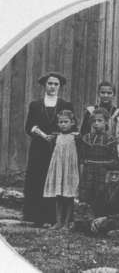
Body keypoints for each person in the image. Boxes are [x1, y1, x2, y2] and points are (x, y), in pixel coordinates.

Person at [24, 72, 74, 227]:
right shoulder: (35, 104)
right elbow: (28, 127)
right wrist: (42, 135)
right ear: (45, 85)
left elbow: (72, 125)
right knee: (37, 179)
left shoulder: (65, 105)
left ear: (60, 87)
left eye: (56, 84)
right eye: (50, 83)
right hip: (38, 148)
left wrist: (56, 135)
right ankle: (35, 216)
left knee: (55, 179)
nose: (52, 87)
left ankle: (53, 218)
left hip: (57, 148)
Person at [43, 110, 80, 230]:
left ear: (72, 123)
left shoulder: (75, 137)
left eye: (66, 122)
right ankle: (58, 221)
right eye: (61, 122)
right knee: (58, 195)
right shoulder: (56, 137)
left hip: (69, 169)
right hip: (59, 168)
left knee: (69, 196)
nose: (63, 124)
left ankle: (66, 222)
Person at [75, 160, 119, 236]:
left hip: (116, 220)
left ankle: (118, 232)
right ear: (107, 174)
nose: (114, 177)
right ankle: (102, 230)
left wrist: (105, 218)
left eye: (117, 174)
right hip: (102, 219)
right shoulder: (102, 190)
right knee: (81, 222)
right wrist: (93, 220)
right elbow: (95, 207)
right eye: (111, 174)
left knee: (110, 224)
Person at [79, 108, 119, 205]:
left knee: (101, 194)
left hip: (103, 173)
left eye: (99, 121)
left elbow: (114, 160)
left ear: (106, 122)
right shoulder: (86, 138)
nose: (96, 123)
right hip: (88, 172)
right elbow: (82, 158)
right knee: (87, 194)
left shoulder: (110, 140)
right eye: (94, 121)